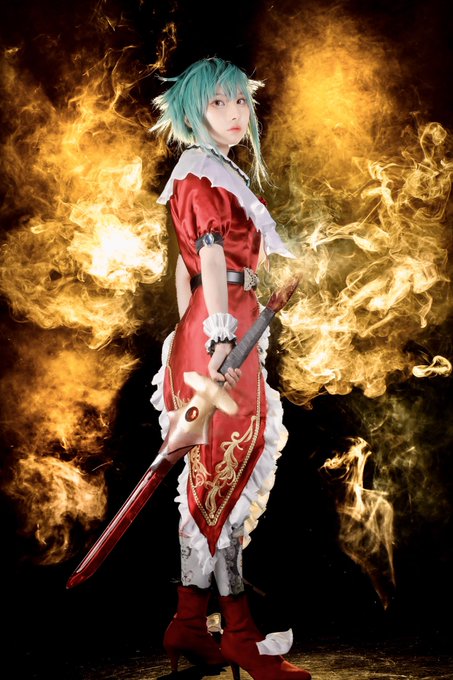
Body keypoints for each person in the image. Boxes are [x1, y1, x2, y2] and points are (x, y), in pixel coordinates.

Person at [150, 57, 311, 680]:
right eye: (218, 102)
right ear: (193, 110)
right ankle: (239, 634)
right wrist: (216, 341)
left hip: (219, 328)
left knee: (214, 480)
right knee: (226, 478)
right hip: (222, 336)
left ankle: (190, 623)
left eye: (240, 100)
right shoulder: (200, 174)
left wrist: (193, 333)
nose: (235, 113)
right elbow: (209, 263)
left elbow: (182, 273)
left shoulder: (213, 171)